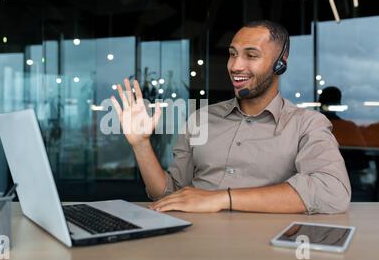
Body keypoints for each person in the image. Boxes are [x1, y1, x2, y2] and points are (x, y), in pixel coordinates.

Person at [111, 20, 351, 214]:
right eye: (232, 54)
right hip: (194, 241)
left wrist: (222, 199)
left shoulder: (307, 124)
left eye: (251, 55)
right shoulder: (200, 119)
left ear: (280, 64)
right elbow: (168, 194)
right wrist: (141, 144)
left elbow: (332, 192)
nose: (235, 66)